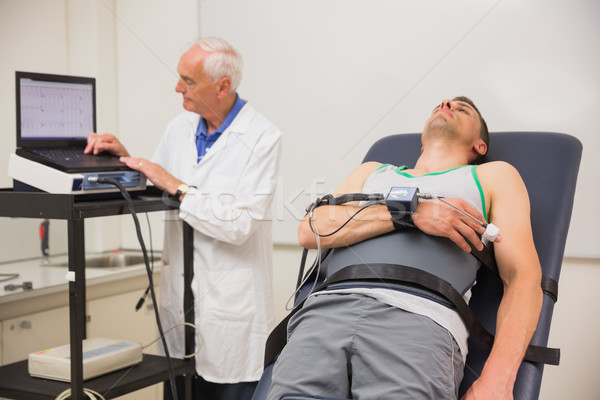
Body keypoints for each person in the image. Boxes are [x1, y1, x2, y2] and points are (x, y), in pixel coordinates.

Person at [267, 97, 542, 400]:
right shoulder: (372, 171)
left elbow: (522, 277)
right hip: (325, 315)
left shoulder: (492, 175)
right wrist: (412, 212)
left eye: (463, 109)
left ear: (479, 146)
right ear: (421, 143)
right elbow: (312, 229)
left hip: (419, 321)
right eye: (442, 103)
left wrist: (497, 380)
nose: (447, 103)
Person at [86, 37, 282, 400]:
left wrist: (178, 185)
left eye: (188, 80)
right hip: (180, 306)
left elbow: (238, 224)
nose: (177, 87)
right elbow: (161, 187)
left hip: (230, 317)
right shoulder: (179, 127)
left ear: (223, 86)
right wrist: (126, 161)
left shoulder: (263, 137)